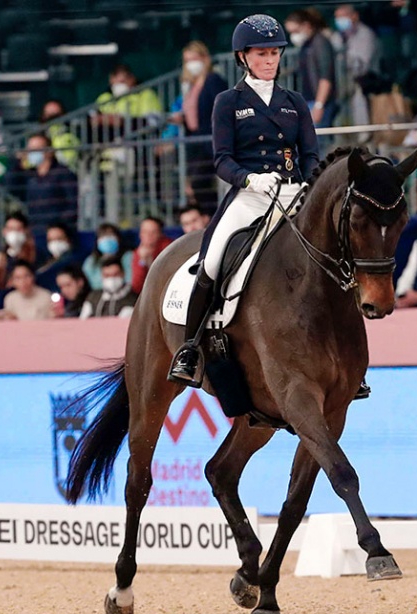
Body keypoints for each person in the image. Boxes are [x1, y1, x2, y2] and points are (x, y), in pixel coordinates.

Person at [168, 13, 320, 386]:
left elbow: (311, 153)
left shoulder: (294, 101)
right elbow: (222, 160)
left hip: (293, 193)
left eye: (274, 54)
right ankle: (189, 348)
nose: (269, 61)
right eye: (261, 54)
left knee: (332, 254)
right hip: (251, 194)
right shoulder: (227, 101)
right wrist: (250, 178)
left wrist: (308, 183)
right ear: (243, 57)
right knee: (213, 258)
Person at [168, 42, 228, 214]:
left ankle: (213, 215)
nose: (191, 63)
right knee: (194, 186)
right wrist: (182, 119)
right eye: (187, 60)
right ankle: (210, 215)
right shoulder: (191, 85)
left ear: (204, 58)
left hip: (209, 141)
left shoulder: (213, 80)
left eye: (194, 58)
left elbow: (221, 108)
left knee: (199, 183)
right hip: (195, 142)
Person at [3, 132, 78, 233]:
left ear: (49, 151)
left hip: (59, 232)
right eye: (30, 149)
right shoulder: (30, 175)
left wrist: (62, 225)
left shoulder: (63, 173)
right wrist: (17, 163)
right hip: (36, 228)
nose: (31, 152)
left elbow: (72, 203)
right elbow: (11, 186)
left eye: (36, 149)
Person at [330, 4, 381, 135]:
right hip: (341, 82)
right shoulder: (337, 37)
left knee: (360, 112)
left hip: (363, 82)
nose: (340, 20)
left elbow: (362, 62)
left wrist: (342, 60)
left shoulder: (366, 34)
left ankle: (363, 137)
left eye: (343, 16)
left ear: (354, 16)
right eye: (337, 17)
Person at [284, 9, 336, 128]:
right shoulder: (306, 45)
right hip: (308, 99)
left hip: (318, 100)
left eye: (296, 31)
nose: (294, 36)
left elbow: (325, 76)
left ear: (306, 25)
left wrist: (319, 105)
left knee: (316, 140)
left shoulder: (320, 43)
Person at [0, 212, 36, 294]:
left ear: (26, 231)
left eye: (18, 229)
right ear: (4, 231)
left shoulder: (35, 255)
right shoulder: (1, 258)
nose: (14, 233)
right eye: (11, 229)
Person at [82, 222, 134, 289]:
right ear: (97, 241)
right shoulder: (91, 261)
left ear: (118, 239)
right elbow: (87, 284)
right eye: (103, 236)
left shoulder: (128, 256)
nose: (107, 239)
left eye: (110, 235)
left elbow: (130, 280)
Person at [131, 216, 173, 294]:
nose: (148, 235)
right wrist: (143, 261)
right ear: (140, 234)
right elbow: (137, 287)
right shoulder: (138, 252)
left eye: (153, 232)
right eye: (145, 232)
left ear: (160, 234)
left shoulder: (170, 249)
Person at [36, 221, 82, 292]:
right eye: (51, 240)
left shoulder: (76, 261)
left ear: (68, 240)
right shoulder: (45, 263)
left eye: (59, 239)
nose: (55, 243)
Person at [39, 100, 81, 173]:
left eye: (56, 116)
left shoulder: (70, 136)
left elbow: (71, 159)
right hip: (44, 173)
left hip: (66, 172)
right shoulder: (38, 135)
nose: (52, 120)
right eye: (49, 116)